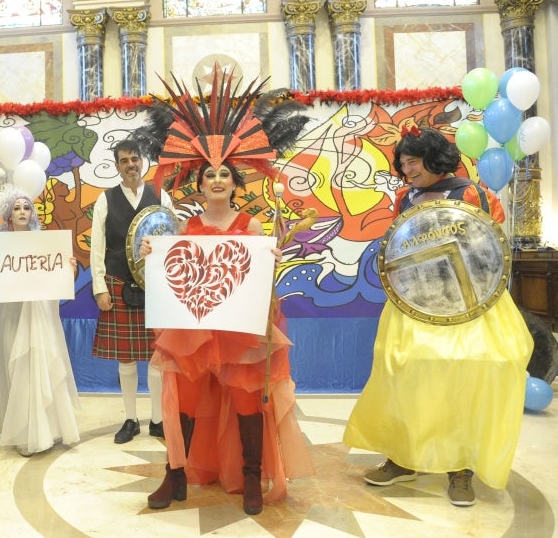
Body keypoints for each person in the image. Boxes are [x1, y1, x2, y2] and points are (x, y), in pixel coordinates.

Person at [139, 70, 314, 515]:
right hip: (194, 333)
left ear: (236, 184)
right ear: (199, 185)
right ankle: (174, 474)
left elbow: (257, 280)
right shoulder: (187, 227)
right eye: (209, 175)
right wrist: (152, 252)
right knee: (185, 404)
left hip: (238, 334)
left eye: (224, 175)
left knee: (245, 404)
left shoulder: (250, 225)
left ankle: (252, 478)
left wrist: (267, 260)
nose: (216, 180)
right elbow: (177, 275)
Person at [344, 127, 534, 506]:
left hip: (469, 305)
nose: (406, 169)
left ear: (433, 159)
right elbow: (398, 248)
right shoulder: (404, 197)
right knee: (402, 376)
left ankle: (459, 467)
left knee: (464, 379)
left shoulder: (474, 194)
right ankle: (403, 457)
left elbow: (489, 250)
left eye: (412, 161)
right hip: (414, 304)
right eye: (402, 162)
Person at [0, 185, 81, 456]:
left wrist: (70, 269)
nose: (22, 211)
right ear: (8, 215)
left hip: (39, 312)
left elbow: (60, 280)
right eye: (17, 208)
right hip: (12, 312)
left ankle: (48, 428)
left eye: (26, 207)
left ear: (32, 212)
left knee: (41, 363)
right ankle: (24, 432)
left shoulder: (45, 242)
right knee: (16, 364)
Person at [90, 138, 174, 444]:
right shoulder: (106, 200)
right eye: (124, 160)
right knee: (125, 359)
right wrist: (100, 287)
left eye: (135, 159)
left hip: (155, 287)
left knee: (156, 357)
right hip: (117, 284)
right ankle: (129, 419)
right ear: (117, 166)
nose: (131, 165)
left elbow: (173, 239)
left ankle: (157, 420)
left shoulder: (160, 196)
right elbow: (97, 247)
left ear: (143, 161)